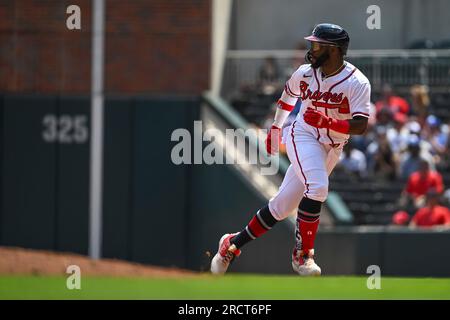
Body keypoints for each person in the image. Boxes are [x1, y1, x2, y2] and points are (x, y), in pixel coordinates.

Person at [210, 23, 371, 276]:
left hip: (333, 146)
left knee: (282, 207)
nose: (312, 49)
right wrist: (276, 128)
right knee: (317, 187)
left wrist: (330, 122)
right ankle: (303, 255)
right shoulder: (305, 73)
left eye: (318, 45)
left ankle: (232, 243)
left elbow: (361, 125)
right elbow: (288, 97)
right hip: (303, 135)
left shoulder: (357, 82)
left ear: (335, 50)